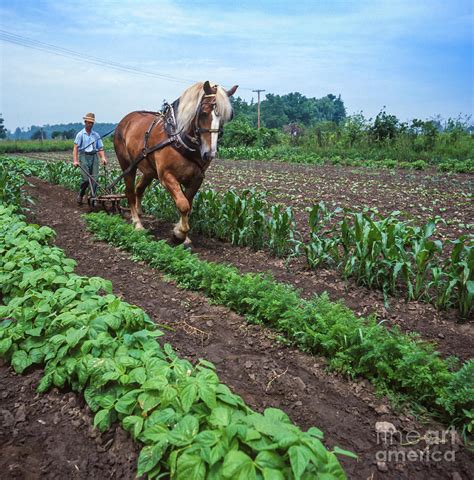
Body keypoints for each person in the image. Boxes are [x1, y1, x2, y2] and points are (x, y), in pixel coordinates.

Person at [73, 113, 107, 205]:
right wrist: (75, 160)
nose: (90, 124)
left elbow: (100, 148)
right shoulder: (80, 134)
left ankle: (93, 197)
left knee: (95, 178)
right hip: (83, 156)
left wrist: (103, 157)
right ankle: (81, 194)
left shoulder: (96, 135)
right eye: (89, 123)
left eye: (92, 123)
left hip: (94, 156)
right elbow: (75, 148)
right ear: (85, 122)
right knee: (85, 179)